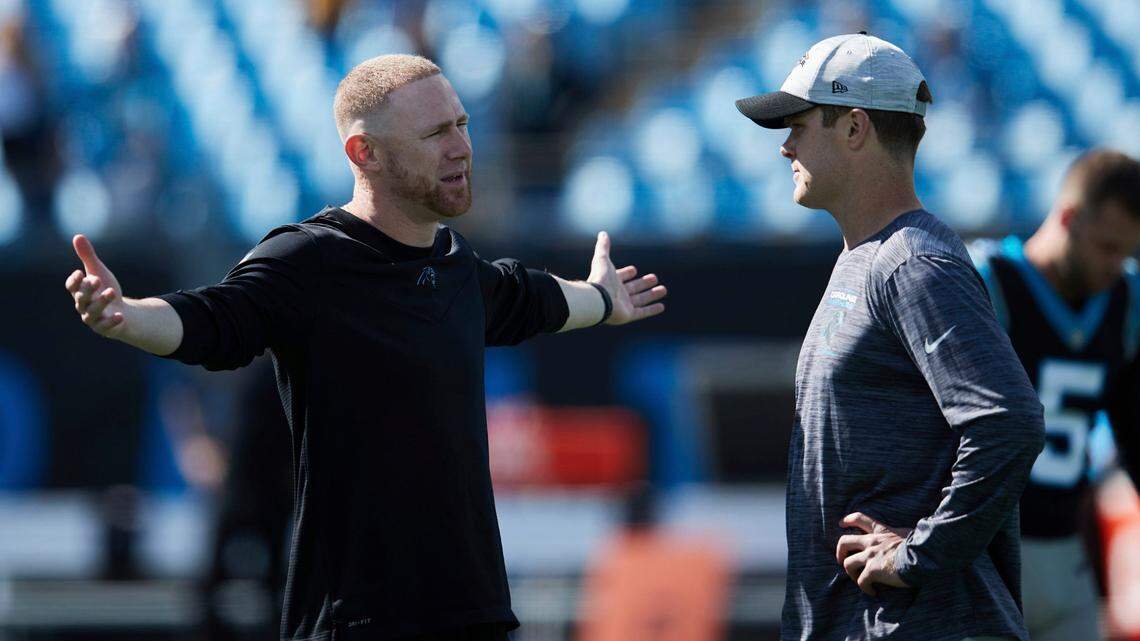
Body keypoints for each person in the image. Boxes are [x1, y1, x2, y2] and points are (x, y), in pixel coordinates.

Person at [65, 54, 667, 641]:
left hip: (475, 616)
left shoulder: (457, 266)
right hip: (356, 622)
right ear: (365, 152)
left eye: (462, 124)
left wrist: (603, 299)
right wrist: (126, 317)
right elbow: (212, 320)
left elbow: (535, 298)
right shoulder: (308, 260)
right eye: (434, 132)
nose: (461, 147)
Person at [735, 33, 1045, 641]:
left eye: (797, 124)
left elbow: (1008, 422)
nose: (784, 146)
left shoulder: (913, 264)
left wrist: (917, 555)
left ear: (855, 128)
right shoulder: (869, 256)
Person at [969, 149, 1140, 641]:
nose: (1117, 266)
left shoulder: (1125, 303)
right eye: (1108, 247)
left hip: (1067, 559)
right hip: (981, 559)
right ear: (1068, 217)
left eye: (1127, 252)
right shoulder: (986, 283)